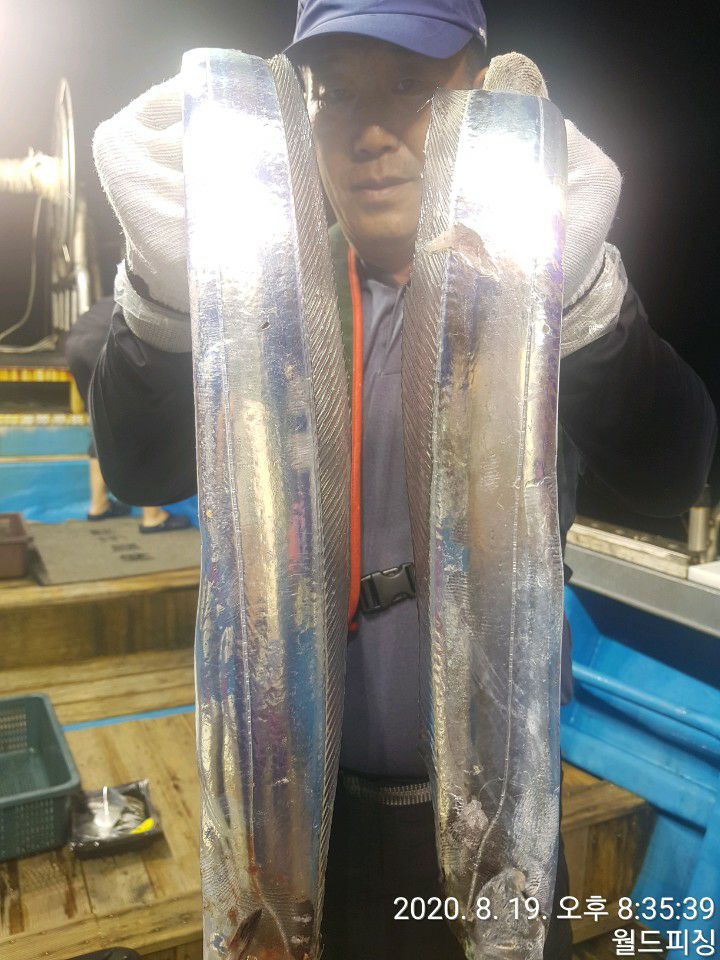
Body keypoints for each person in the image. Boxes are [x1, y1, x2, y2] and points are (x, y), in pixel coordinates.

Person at [90, 2, 717, 958]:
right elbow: (140, 465)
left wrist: (592, 304)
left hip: (497, 824)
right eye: (337, 94)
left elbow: (672, 467)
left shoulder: (534, 310)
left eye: (412, 88)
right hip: (305, 828)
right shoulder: (268, 306)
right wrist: (168, 297)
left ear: (476, 92)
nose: (371, 133)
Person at [65, 297, 191, 532]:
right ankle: (153, 517)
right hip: (106, 345)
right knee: (146, 425)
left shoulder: (123, 294)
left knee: (101, 424)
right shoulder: (163, 302)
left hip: (76, 345)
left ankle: (98, 506)